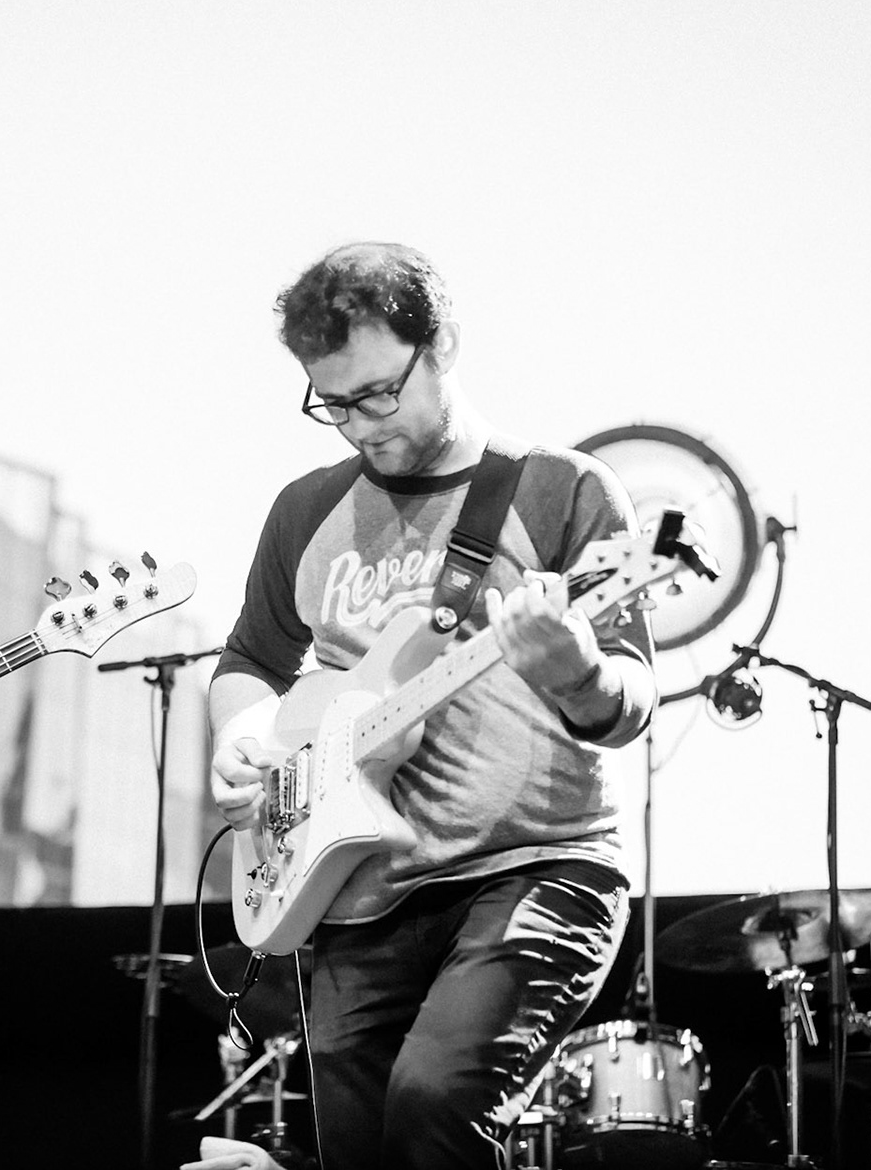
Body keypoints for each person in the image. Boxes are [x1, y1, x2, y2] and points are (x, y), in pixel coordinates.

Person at [208, 243, 656, 1169]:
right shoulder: (306, 510)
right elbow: (251, 660)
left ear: (442, 342)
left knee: (434, 1105)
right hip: (351, 890)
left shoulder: (558, 489)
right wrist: (244, 737)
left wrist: (575, 671)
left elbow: (630, 703)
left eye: (378, 393)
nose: (360, 426)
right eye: (331, 404)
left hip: (532, 869)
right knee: (360, 1153)